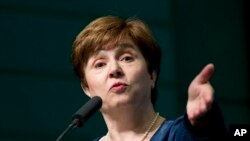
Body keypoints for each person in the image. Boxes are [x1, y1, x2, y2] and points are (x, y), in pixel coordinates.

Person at [71, 16, 227, 141]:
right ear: (86, 88)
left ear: (152, 74)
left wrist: (201, 122)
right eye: (100, 64)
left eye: (126, 58)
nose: (114, 69)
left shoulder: (178, 134)